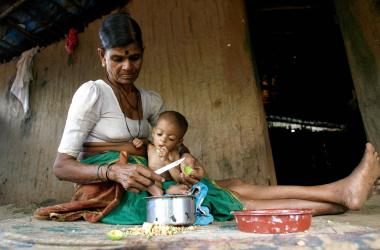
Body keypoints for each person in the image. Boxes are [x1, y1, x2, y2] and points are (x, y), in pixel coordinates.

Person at [34, 12, 380, 224]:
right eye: (118, 58)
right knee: (227, 200)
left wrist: (188, 162)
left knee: (230, 186)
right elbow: (61, 166)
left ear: (143, 54)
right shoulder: (91, 93)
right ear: (101, 56)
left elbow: (173, 146)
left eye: (135, 58)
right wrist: (113, 170)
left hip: (150, 177)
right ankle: (338, 196)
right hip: (115, 192)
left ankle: (338, 194)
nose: (127, 67)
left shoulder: (150, 100)